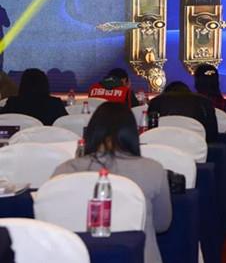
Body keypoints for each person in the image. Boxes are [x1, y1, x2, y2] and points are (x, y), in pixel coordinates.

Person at [53, 103, 171, 263]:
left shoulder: (64, 171)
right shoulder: (153, 169)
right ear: (132, 134)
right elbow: (162, 224)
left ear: (91, 132)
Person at [148, 81, 219, 142]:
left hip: (162, 145)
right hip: (196, 146)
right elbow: (212, 134)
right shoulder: (204, 102)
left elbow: (150, 131)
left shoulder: (155, 102)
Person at [0, 68, 67, 125]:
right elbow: (66, 122)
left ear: (23, 84)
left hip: (19, 136)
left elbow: (3, 119)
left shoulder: (13, 102)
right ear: (45, 84)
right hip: (48, 136)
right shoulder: (55, 104)